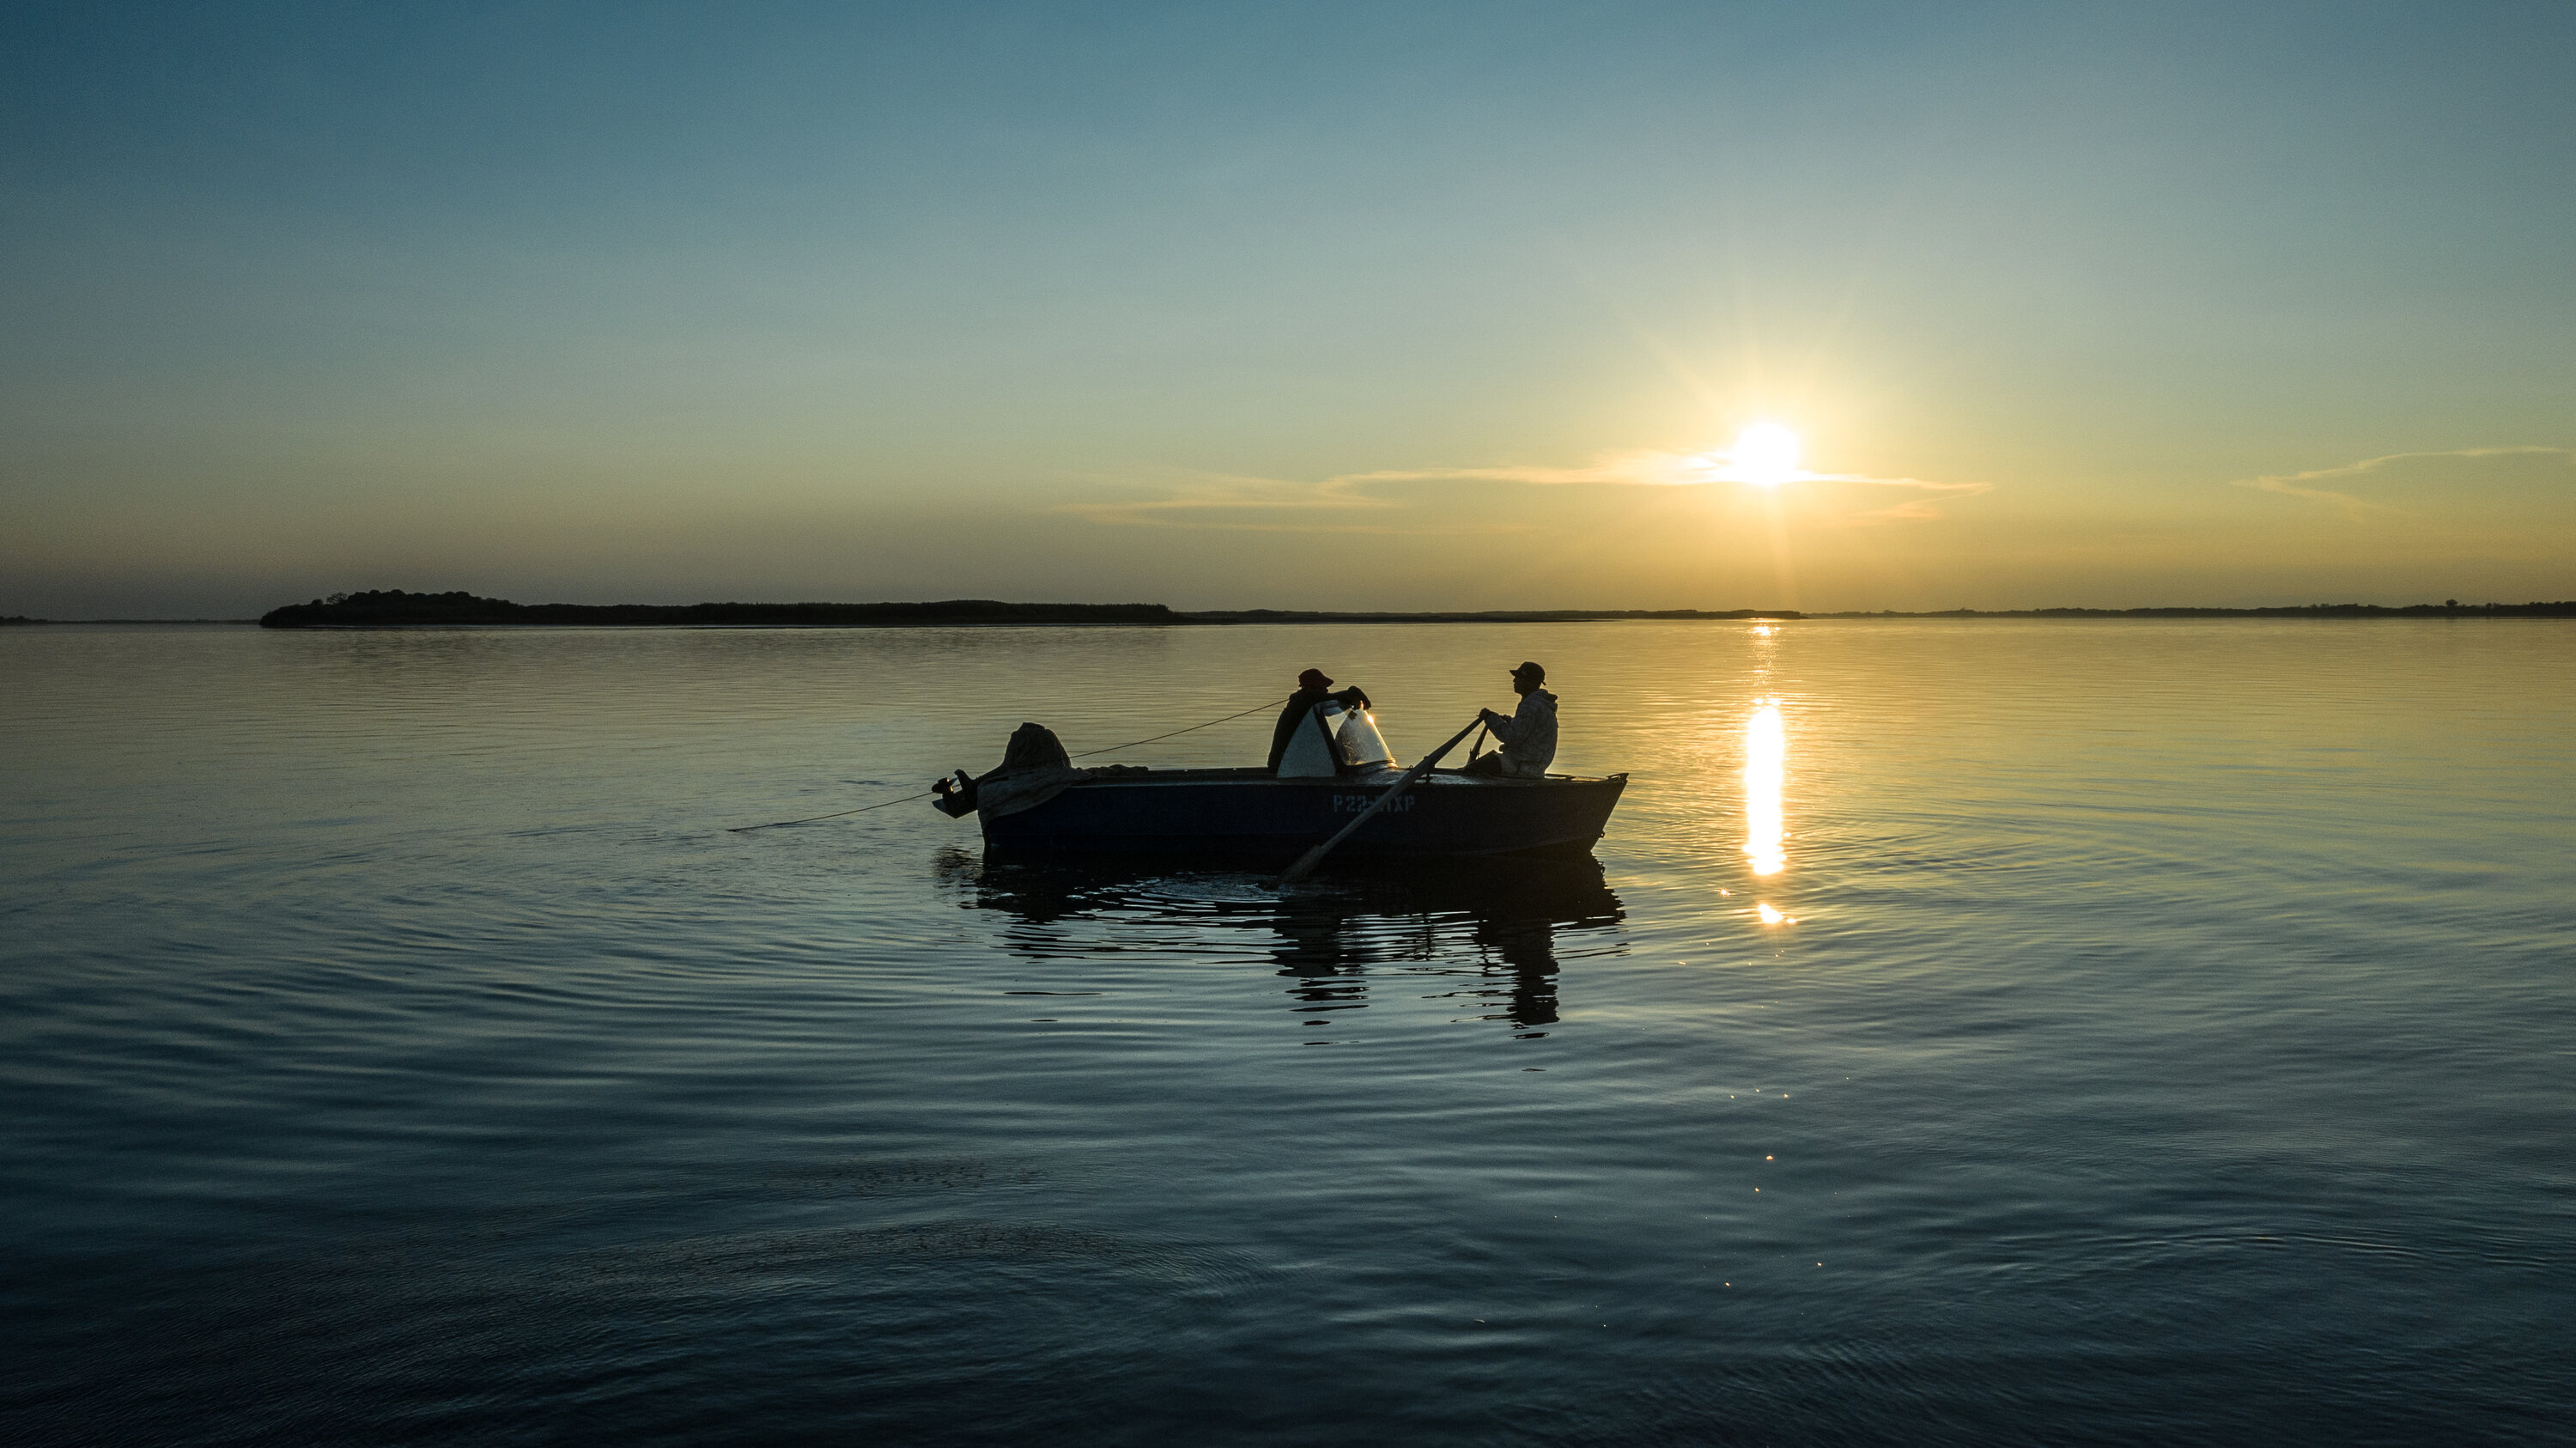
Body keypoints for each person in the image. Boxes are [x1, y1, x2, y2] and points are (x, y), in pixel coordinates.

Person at [1267, 668, 1372, 772]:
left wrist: (1347, 707)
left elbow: (1332, 701)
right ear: (1309, 688)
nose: (1326, 691)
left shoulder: (1309, 703)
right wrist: (1353, 691)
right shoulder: (1303, 703)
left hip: (1292, 764)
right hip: (1283, 769)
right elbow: (1333, 697)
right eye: (1322, 687)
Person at [1465, 661, 1557, 778]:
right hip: (1531, 764)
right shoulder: (1540, 704)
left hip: (1522, 765)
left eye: (1518, 678)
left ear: (1529, 683)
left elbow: (1510, 737)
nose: (1514, 681)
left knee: (1471, 771)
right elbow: (1526, 730)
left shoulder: (1531, 706)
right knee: (1484, 764)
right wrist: (1510, 721)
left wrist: (1490, 718)